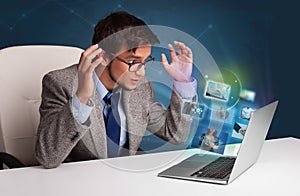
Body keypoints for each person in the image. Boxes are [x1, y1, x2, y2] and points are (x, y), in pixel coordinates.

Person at [35, 11, 197, 168]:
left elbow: (177, 135)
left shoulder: (140, 88)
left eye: (145, 61)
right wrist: (82, 97)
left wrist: (183, 84)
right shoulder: (60, 83)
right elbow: (48, 158)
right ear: (104, 56)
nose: (141, 72)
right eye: (133, 62)